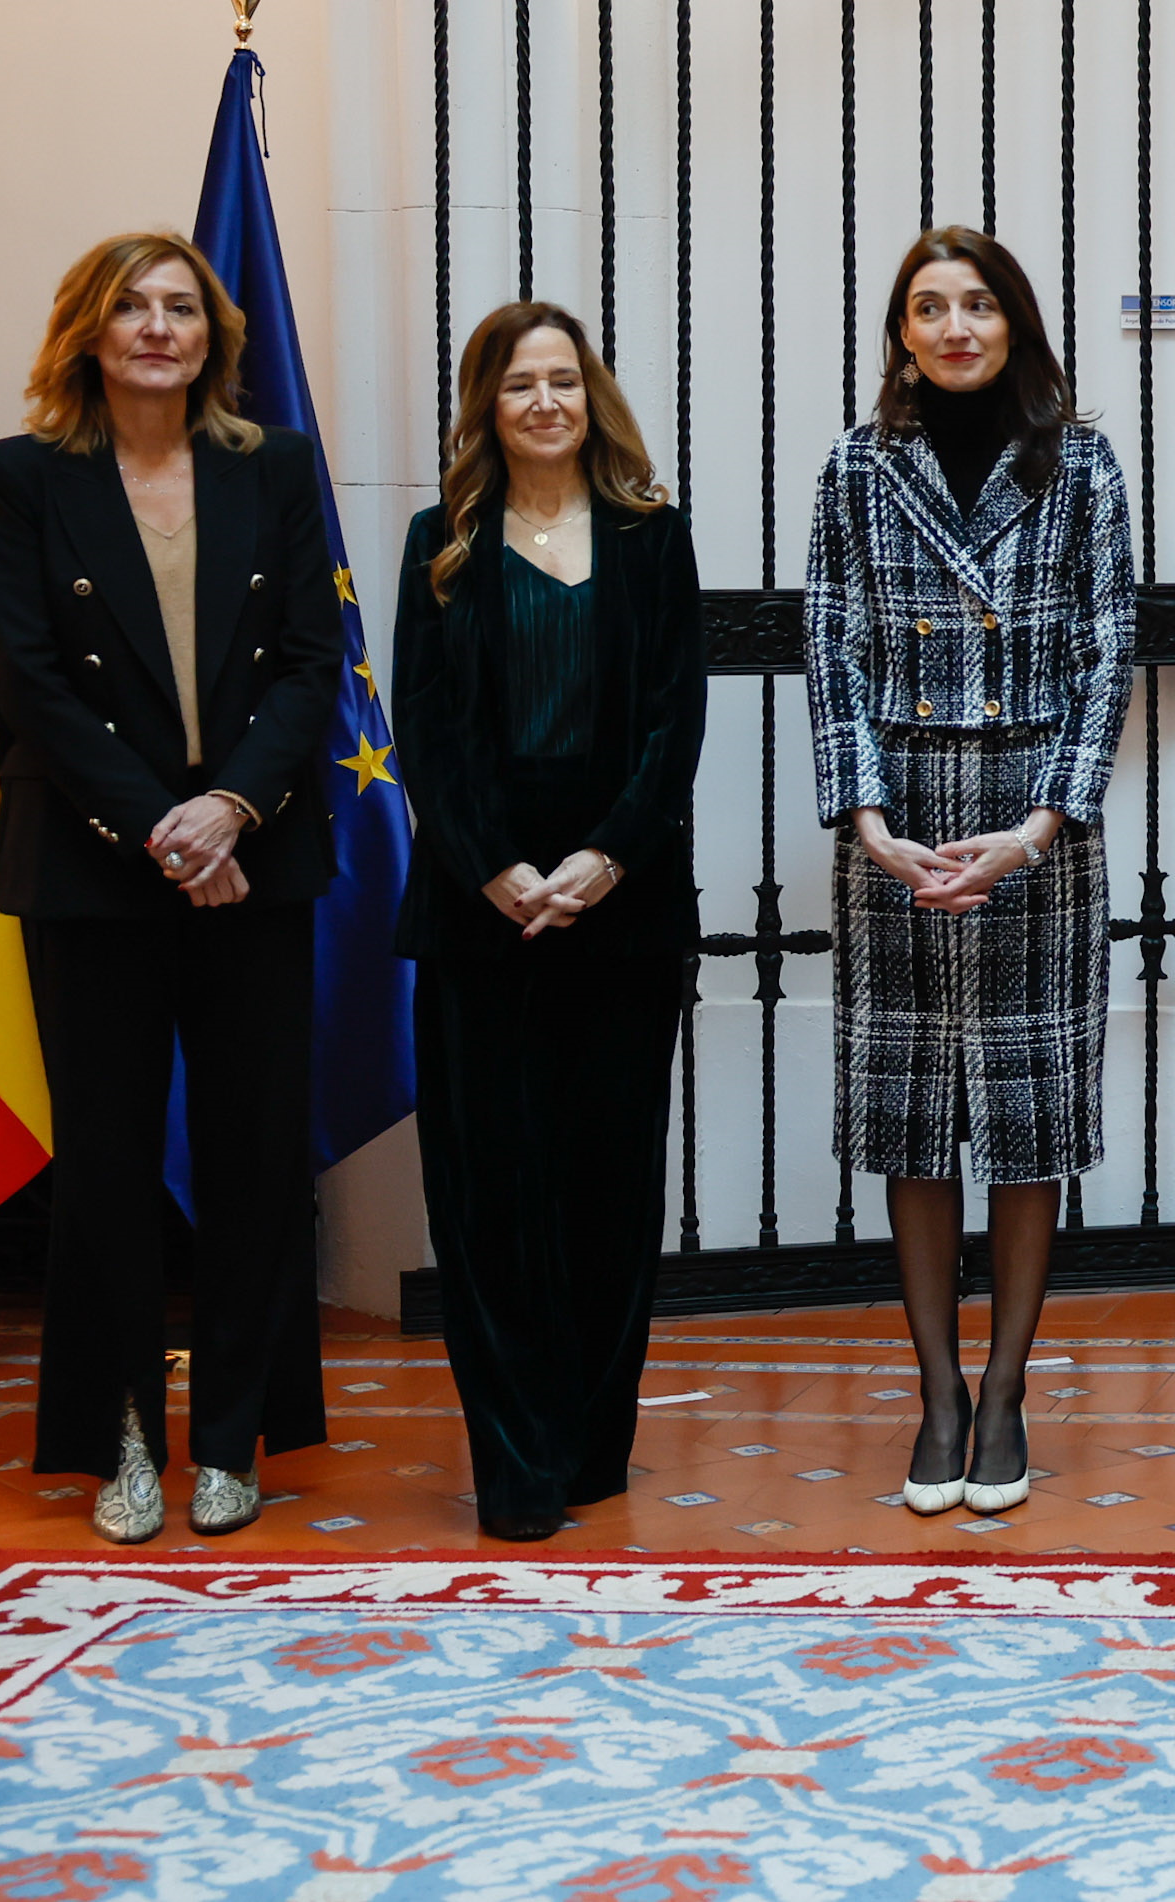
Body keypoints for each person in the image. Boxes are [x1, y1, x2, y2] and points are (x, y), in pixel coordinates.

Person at [0, 232, 343, 1544]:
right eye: (129, 305)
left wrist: (229, 804)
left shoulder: (278, 468)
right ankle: (125, 1430)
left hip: (257, 853)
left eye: (181, 305)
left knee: (253, 1162)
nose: (156, 325)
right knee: (111, 1170)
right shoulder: (19, 478)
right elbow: (30, 684)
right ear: (86, 327)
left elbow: (313, 663)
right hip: (93, 867)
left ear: (213, 335)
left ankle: (232, 1439)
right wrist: (164, 828)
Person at [806, 228, 1135, 1519]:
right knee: (913, 1112)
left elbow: (1113, 647)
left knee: (1025, 1113)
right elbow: (828, 638)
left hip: (1033, 822)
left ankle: (1006, 1393)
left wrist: (1046, 819)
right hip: (900, 821)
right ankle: (935, 1392)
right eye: (929, 307)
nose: (954, 326)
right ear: (899, 332)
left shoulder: (1082, 463)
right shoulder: (856, 465)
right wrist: (867, 815)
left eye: (978, 304)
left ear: (1016, 324)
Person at [391, 301, 704, 1542]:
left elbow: (673, 723)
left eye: (562, 381)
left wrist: (604, 860)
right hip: (483, 922)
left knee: (605, 1191)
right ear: (485, 405)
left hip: (620, 917)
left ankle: (588, 1450)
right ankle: (515, 1465)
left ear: (593, 397)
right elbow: (426, 735)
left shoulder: (650, 537)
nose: (542, 403)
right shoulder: (440, 543)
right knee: (489, 1198)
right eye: (517, 383)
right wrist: (496, 872)